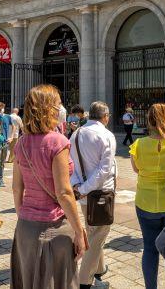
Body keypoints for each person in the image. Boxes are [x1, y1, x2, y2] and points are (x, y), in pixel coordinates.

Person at [11, 85, 88, 288]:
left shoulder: (21, 143)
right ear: (48, 109)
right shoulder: (57, 141)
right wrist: (79, 231)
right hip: (54, 228)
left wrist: (24, 216)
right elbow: (63, 193)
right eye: (57, 104)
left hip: (25, 226)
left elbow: (16, 188)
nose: (60, 108)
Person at [129, 104, 165, 289]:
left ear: (149, 121)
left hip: (146, 203)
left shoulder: (138, 145)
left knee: (149, 248)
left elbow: (136, 169)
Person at [70, 101, 116, 289]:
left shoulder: (76, 133)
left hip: (83, 193)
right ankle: (84, 281)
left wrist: (78, 187)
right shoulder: (106, 135)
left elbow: (71, 164)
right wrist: (85, 188)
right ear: (105, 116)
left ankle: (99, 269)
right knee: (98, 234)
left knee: (93, 230)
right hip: (100, 193)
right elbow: (104, 170)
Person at [0, 102, 12, 183]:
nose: (1, 109)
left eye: (2, 107)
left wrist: (11, 137)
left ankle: (0, 178)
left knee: (2, 161)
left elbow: (14, 126)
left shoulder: (8, 117)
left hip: (5, 141)